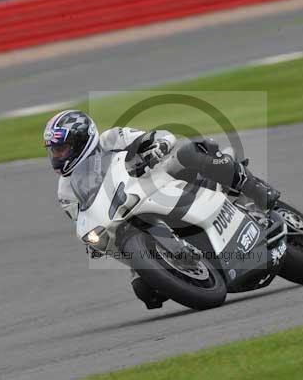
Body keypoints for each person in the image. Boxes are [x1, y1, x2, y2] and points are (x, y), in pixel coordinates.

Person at [44, 110, 280, 309]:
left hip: (157, 178)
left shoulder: (111, 139)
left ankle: (252, 186)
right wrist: (94, 242)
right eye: (53, 150)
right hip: (125, 212)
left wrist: (156, 146)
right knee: (146, 292)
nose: (56, 156)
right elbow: (84, 217)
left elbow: (160, 136)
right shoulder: (65, 191)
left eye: (61, 148)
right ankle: (185, 268)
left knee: (190, 152)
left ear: (82, 141)